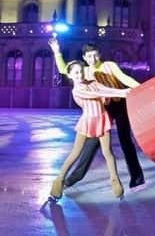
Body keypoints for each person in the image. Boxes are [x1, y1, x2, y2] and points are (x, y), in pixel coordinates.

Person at [48, 39, 146, 191]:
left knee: (125, 140)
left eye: (95, 55)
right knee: (91, 144)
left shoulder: (109, 66)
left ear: (99, 54)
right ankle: (72, 178)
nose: (92, 59)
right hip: (102, 108)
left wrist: (141, 89)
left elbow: (125, 79)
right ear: (84, 58)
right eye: (89, 56)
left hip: (119, 104)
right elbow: (63, 69)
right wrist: (57, 52)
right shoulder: (84, 71)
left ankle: (137, 179)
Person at [49, 60, 130, 201]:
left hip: (102, 119)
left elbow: (103, 93)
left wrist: (109, 98)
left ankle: (115, 183)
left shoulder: (92, 83)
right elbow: (99, 92)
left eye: (80, 71)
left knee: (108, 153)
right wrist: (122, 92)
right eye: (75, 73)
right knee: (75, 153)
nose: (79, 75)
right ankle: (58, 182)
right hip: (88, 122)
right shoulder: (77, 90)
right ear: (70, 75)